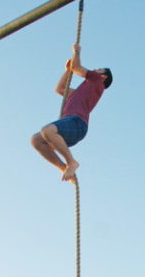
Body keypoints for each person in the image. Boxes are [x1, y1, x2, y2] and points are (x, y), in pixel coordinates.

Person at [30, 45, 112, 182]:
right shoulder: (82, 92)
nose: (95, 69)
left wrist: (77, 52)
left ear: (103, 76)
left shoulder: (97, 81)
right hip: (70, 126)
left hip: (77, 123)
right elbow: (60, 89)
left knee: (47, 131)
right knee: (36, 140)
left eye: (99, 69)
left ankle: (71, 162)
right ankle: (63, 168)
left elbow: (77, 67)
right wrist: (68, 71)